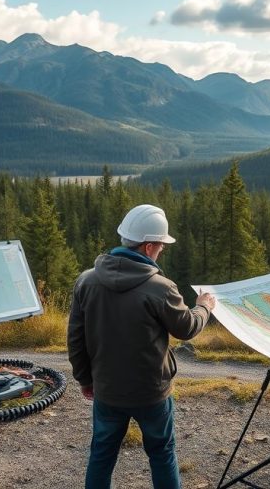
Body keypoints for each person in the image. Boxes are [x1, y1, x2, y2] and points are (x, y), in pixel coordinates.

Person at [68, 204, 217, 489]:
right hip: (152, 393)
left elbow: (75, 338)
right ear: (149, 247)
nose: (162, 250)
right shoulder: (161, 288)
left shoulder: (86, 281)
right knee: (161, 454)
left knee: (101, 454)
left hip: (107, 390)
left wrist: (85, 379)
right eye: (161, 245)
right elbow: (187, 328)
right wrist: (203, 308)